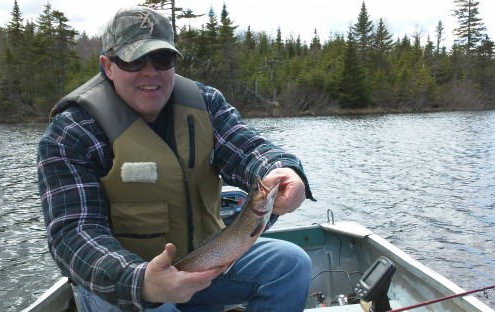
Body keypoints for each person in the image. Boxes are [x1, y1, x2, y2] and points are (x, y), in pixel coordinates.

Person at [37, 6, 315, 312]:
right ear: (108, 65)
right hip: (125, 282)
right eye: (133, 60)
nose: (150, 72)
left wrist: (282, 169)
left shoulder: (205, 103)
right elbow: (73, 234)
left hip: (205, 258)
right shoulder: (71, 132)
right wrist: (142, 282)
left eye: (162, 59)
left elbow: (247, 147)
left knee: (291, 266)